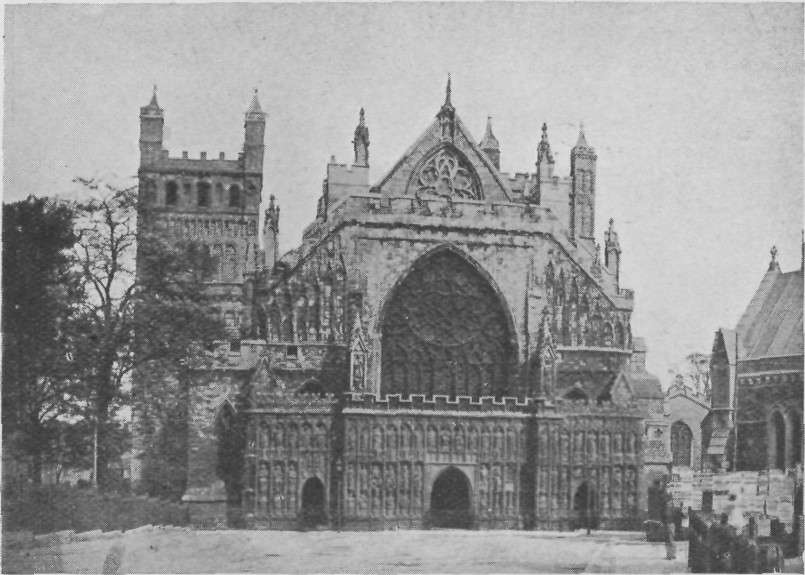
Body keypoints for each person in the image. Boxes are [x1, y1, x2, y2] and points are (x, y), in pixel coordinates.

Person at [661, 482, 677, 560]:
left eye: (669, 487)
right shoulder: (667, 497)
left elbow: (669, 510)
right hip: (668, 520)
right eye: (667, 487)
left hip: (670, 520)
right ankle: (670, 554)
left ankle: (671, 554)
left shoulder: (670, 498)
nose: (668, 488)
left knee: (670, 538)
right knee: (669, 538)